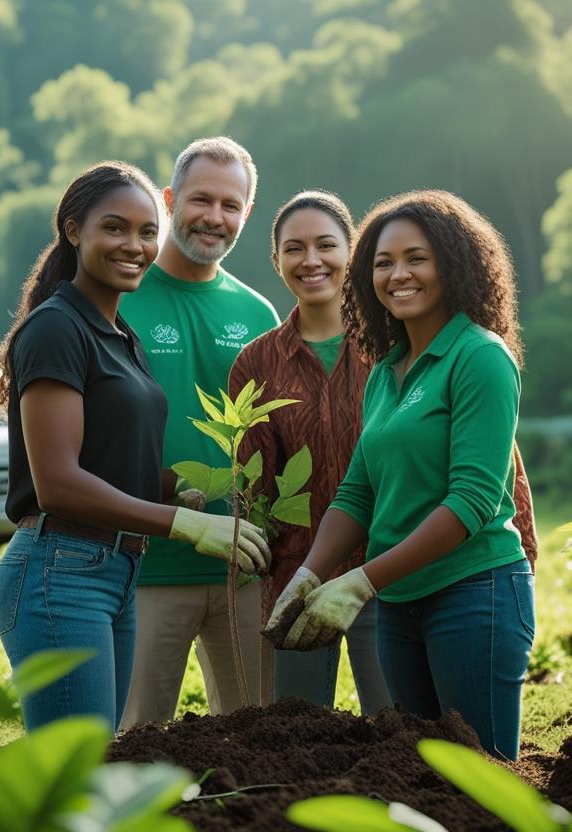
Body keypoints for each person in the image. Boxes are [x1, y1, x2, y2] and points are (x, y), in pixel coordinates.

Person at [0, 161, 270, 732]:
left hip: (115, 566)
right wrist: (184, 524)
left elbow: (117, 456)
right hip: (59, 571)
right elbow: (58, 483)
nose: (135, 246)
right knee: (78, 767)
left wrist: (181, 489)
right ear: (74, 231)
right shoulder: (55, 329)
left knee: (113, 759)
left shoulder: (119, 335)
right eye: (115, 228)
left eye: (147, 232)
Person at [277, 189, 535, 760]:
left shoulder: (480, 357)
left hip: (474, 593)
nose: (398, 275)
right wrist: (311, 573)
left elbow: (470, 501)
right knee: (415, 773)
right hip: (399, 604)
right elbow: (358, 493)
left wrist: (363, 581)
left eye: (416, 258)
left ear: (453, 262)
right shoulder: (387, 373)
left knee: (480, 777)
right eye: (383, 263)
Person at [118, 137, 282, 727]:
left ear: (246, 215)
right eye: (200, 200)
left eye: (231, 205)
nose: (215, 217)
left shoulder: (259, 314)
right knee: (136, 738)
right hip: (145, 567)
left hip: (243, 570)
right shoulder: (120, 299)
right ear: (167, 201)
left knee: (255, 737)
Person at [229, 190, 393, 714]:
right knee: (297, 732)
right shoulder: (255, 363)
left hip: (388, 573)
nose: (311, 260)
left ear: (353, 253)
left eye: (326, 245)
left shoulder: (396, 347)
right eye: (294, 248)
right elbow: (251, 488)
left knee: (399, 729)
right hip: (297, 578)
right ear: (276, 261)